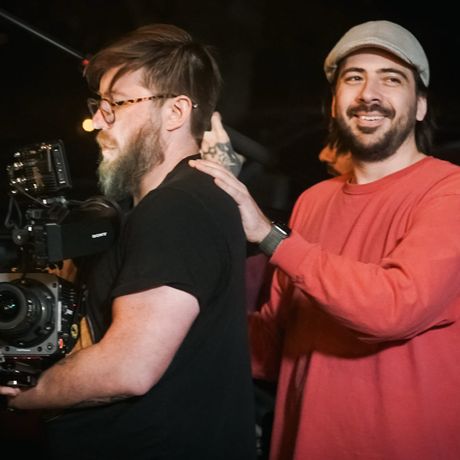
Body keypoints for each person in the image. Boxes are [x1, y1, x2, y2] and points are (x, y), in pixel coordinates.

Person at [189, 20, 460, 460]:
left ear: (421, 106)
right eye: (354, 78)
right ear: (335, 104)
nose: (369, 93)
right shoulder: (313, 201)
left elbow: (395, 306)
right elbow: (272, 345)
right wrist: (173, 308)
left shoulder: (449, 191)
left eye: (391, 79)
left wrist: (271, 238)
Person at [0, 23, 257, 460]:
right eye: (98, 105)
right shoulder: (181, 201)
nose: (98, 121)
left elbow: (129, 367)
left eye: (117, 103)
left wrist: (25, 393)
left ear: (175, 112)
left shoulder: (176, 207)